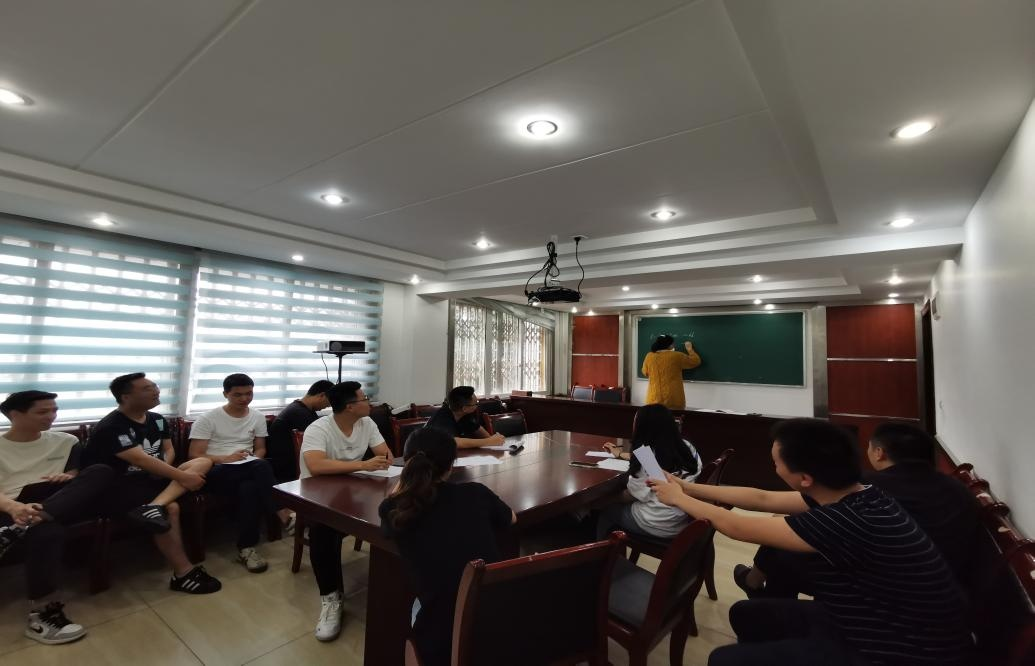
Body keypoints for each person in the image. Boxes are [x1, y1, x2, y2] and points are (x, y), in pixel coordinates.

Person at [649, 418, 973, 666]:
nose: (774, 467)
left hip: (898, 650)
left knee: (723, 659)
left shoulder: (841, 520)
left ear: (805, 478)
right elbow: (761, 498)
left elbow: (735, 526)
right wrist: (687, 488)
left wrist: (678, 499)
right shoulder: (860, 492)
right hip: (873, 620)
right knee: (746, 614)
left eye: (776, 463)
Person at [735, 421, 981, 599]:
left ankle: (762, 597)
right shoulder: (956, 488)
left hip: (890, 587)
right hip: (949, 584)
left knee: (783, 544)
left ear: (879, 453)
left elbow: (768, 502)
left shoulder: (870, 486)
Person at [379, 427, 516, 666]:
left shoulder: (394, 508)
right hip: (499, 623)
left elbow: (391, 527)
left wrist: (403, 483)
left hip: (441, 641)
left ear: (407, 463)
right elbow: (512, 518)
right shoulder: (476, 493)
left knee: (415, 601)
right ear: (451, 465)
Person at [84, 374, 222, 596]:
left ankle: (154, 505)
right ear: (126, 396)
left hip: (151, 478)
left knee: (203, 462)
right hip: (117, 486)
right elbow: (140, 459)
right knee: (171, 508)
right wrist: (182, 477)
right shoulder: (112, 426)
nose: (156, 391)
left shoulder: (157, 419)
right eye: (147, 388)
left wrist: (165, 471)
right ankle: (183, 573)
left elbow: (168, 449)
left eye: (155, 386)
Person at [0, 391, 115, 645]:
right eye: (43, 412)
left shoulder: (65, 440)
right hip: (14, 504)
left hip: (58, 500)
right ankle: (42, 613)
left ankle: (21, 527)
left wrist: (68, 477)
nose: (51, 416)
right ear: (15, 415)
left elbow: (75, 474)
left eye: (54, 410)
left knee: (100, 470)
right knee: (47, 532)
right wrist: (14, 507)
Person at [298, 381, 394, 642]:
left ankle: (394, 584)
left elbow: (385, 456)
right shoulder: (319, 428)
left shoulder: (367, 423)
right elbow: (316, 466)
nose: (369, 402)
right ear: (350, 407)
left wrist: (377, 462)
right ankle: (331, 597)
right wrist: (363, 465)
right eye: (364, 399)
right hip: (319, 492)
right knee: (323, 531)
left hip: (354, 488)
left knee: (393, 511)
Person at [188, 373, 289, 573]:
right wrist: (226, 458)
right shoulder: (208, 418)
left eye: (249, 393)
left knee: (250, 488)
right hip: (216, 471)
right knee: (261, 468)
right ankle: (283, 513)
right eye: (238, 395)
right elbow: (194, 455)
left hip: (247, 470)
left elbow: (260, 449)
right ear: (225, 394)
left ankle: (246, 548)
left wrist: (252, 459)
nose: (245, 399)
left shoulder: (257, 417)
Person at [596, 403, 702, 540]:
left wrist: (601, 500)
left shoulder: (646, 455)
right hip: (682, 518)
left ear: (642, 428)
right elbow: (657, 461)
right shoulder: (686, 447)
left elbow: (631, 495)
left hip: (656, 522)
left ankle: (602, 551)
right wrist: (620, 454)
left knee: (605, 511)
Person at [267, 380, 333, 482]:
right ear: (322, 395)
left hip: (291, 462)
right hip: (289, 468)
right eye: (328, 403)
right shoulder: (299, 413)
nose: (327, 407)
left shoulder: (301, 409)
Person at [425, 386, 505, 450]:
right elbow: (454, 442)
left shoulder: (465, 415)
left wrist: (493, 439)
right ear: (465, 408)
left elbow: (480, 431)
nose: (477, 406)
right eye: (476, 403)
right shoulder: (442, 416)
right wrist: (488, 441)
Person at [641, 334, 701, 410]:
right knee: (673, 417)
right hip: (673, 400)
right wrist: (690, 349)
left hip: (653, 399)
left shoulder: (649, 356)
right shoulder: (677, 356)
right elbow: (696, 361)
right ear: (670, 345)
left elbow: (645, 372)